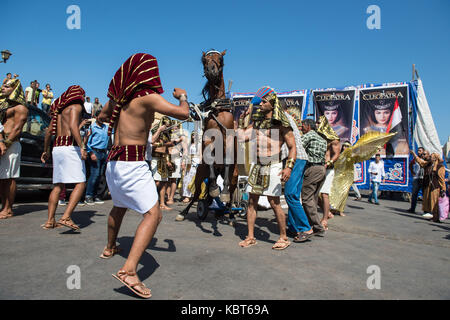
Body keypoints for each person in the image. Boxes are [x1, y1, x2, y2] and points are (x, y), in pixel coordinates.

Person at [98, 53, 189, 299]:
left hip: (114, 163)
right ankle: (129, 271)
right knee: (153, 215)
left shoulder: (120, 98)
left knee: (118, 207)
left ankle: (109, 248)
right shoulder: (147, 97)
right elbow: (184, 114)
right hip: (132, 163)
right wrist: (182, 96)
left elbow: (101, 116)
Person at [237, 86, 296, 250]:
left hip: (274, 165)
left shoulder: (281, 124)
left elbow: (293, 147)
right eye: (260, 101)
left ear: (272, 104)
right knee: (251, 201)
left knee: (274, 202)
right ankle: (250, 237)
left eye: (264, 101)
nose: (260, 104)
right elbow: (241, 138)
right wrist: (243, 120)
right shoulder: (257, 123)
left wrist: (288, 168)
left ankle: (283, 237)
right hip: (256, 165)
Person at [40, 85, 88, 230]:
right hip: (69, 147)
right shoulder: (76, 106)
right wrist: (82, 146)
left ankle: (50, 221)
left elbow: (49, 132)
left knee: (58, 185)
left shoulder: (59, 112)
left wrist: (45, 150)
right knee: (81, 183)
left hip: (57, 148)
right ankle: (66, 217)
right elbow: (74, 126)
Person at [281, 100, 313, 243]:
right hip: (300, 158)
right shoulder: (288, 117)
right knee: (293, 194)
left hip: (295, 159)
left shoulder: (282, 117)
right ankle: (293, 226)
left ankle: (305, 228)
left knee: (290, 194)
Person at [0, 79, 28, 219]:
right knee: (2, 178)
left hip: (11, 145)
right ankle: (3, 206)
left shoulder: (21, 108)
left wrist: (5, 143)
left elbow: (17, 129)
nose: (2, 88)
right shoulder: (4, 105)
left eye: (6, 86)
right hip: (2, 144)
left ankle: (8, 209)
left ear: (15, 89)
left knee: (9, 178)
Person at [300, 118, 328, 237]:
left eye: (302, 126)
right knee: (313, 198)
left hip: (312, 169)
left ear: (308, 126)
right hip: (322, 169)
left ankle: (317, 226)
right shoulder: (322, 139)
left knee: (306, 198)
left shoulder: (309, 135)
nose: (301, 128)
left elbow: (298, 146)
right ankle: (311, 223)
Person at [316, 116, 341, 230]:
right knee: (313, 194)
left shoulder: (333, 138)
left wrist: (329, 162)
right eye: (316, 122)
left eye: (318, 122)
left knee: (324, 194)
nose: (317, 124)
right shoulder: (317, 136)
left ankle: (325, 219)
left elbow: (336, 154)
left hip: (328, 169)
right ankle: (328, 213)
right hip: (317, 167)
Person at [410, 150, 446, 222]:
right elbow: (420, 162)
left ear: (435, 158)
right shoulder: (428, 164)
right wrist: (414, 154)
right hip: (427, 186)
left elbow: (441, 179)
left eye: (431, 157)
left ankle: (436, 217)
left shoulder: (440, 167)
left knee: (435, 202)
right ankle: (433, 216)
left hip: (435, 187)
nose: (430, 157)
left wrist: (443, 189)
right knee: (428, 201)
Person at [84, 110, 109, 205]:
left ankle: (96, 195)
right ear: (96, 117)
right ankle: (88, 195)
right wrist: (91, 153)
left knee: (101, 175)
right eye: (101, 117)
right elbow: (87, 142)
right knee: (95, 174)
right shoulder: (92, 127)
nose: (102, 119)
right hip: (95, 152)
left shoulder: (106, 127)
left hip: (103, 153)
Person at [150, 116, 175, 210]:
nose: (167, 126)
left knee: (164, 182)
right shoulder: (156, 131)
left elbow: (168, 149)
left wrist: (168, 160)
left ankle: (162, 204)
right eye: (166, 125)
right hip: (155, 158)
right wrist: (160, 131)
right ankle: (151, 202)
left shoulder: (167, 134)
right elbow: (151, 143)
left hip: (164, 159)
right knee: (156, 182)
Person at [407, 147, 425, 213]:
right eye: (418, 150)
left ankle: (425, 210)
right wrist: (412, 172)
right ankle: (412, 208)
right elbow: (411, 164)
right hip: (416, 178)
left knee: (424, 195)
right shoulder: (415, 159)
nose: (419, 152)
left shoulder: (424, 159)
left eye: (420, 151)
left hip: (423, 178)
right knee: (414, 194)